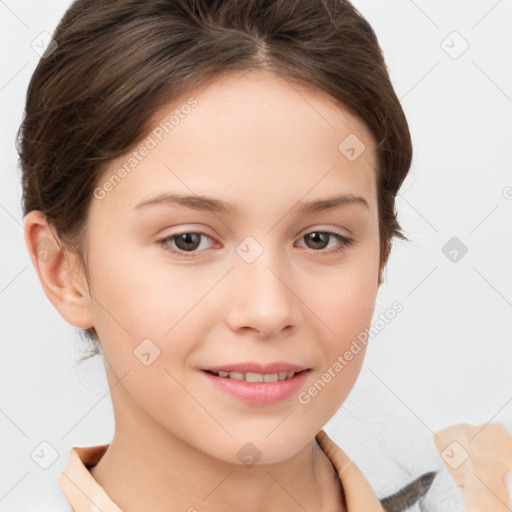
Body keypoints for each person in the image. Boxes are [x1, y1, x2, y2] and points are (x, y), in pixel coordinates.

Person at [17, 0, 509, 510]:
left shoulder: (486, 491)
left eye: (320, 239)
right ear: (63, 270)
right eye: (188, 240)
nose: (268, 310)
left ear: (381, 254)